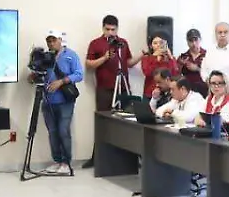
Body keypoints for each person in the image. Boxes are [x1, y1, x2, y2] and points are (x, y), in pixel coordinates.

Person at [83, 15, 140, 169]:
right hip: (105, 89)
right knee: (103, 122)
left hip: (123, 88)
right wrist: (105, 57)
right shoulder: (96, 43)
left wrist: (141, 55)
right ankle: (98, 158)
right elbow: (88, 65)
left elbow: (128, 63)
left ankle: (127, 159)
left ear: (117, 29)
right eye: (107, 29)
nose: (110, 32)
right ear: (103, 28)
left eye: (113, 29)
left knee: (127, 122)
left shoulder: (123, 43)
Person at [31, 31, 84, 176]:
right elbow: (41, 75)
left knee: (63, 131)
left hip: (65, 102)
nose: (51, 43)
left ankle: (66, 163)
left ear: (60, 40)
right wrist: (34, 76)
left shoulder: (70, 55)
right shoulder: (46, 57)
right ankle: (57, 160)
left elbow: (79, 74)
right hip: (48, 101)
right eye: (48, 41)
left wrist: (61, 81)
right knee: (52, 132)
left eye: (53, 40)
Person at [202, 22, 229, 93]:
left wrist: (219, 81)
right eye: (220, 32)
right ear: (215, 34)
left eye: (225, 32)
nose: (223, 35)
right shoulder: (210, 50)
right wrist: (207, 79)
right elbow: (203, 69)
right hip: (212, 90)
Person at [140, 32, 180, 99]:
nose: (158, 45)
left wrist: (171, 58)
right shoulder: (146, 58)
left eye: (161, 43)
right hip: (150, 93)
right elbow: (147, 72)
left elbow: (175, 74)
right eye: (155, 43)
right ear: (151, 46)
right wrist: (155, 58)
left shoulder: (170, 58)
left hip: (168, 94)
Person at [177, 28, 208, 96]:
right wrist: (181, 66)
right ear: (187, 42)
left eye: (196, 40)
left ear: (200, 39)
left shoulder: (208, 55)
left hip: (205, 90)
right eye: (191, 41)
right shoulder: (183, 57)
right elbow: (177, 75)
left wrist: (197, 69)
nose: (194, 43)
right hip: (188, 91)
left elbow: (213, 73)